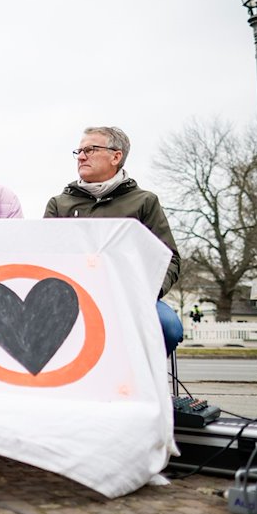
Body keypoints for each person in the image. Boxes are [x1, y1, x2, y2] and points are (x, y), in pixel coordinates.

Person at [43, 126, 183, 355]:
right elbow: (44, 256)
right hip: (71, 295)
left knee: (168, 326)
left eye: (90, 149)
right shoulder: (59, 204)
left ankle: (143, 384)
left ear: (116, 156)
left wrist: (145, 293)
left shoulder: (144, 202)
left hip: (130, 297)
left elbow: (169, 258)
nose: (81, 156)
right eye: (78, 151)